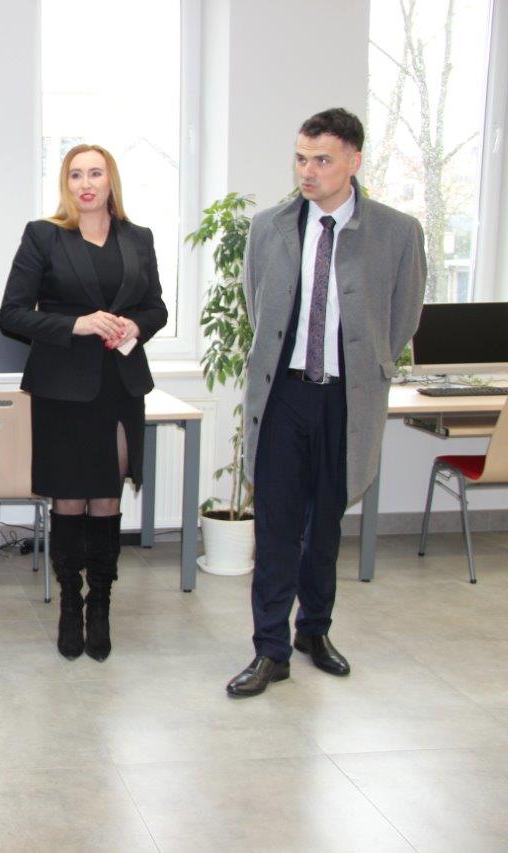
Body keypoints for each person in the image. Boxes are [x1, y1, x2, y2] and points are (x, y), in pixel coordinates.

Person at [226, 108, 426, 697]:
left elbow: (403, 316)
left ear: (353, 161)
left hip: (348, 399)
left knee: (325, 527)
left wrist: (364, 366)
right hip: (284, 395)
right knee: (277, 527)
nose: (307, 171)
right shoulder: (269, 227)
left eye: (321, 160)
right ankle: (270, 649)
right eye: (300, 158)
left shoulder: (397, 232)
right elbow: (257, 304)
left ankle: (314, 631)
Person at [0, 144, 168, 662]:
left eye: (95, 173)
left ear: (110, 180)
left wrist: (135, 325)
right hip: (63, 390)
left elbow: (156, 308)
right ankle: (71, 605)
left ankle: (102, 606)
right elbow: (12, 314)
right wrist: (76, 324)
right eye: (76, 175)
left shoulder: (138, 238)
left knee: (108, 498)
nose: (86, 183)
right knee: (70, 499)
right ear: (65, 183)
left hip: (120, 386)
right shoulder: (44, 235)